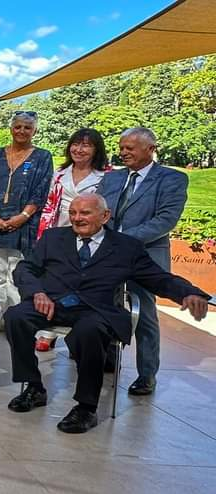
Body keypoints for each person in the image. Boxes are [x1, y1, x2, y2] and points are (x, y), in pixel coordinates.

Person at [6, 193, 208, 433]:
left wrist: (190, 293)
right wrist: (37, 292)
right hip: (53, 302)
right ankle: (34, 386)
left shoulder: (126, 247)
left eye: (85, 213)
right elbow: (25, 269)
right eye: (73, 213)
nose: (77, 219)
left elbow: (158, 278)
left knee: (89, 331)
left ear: (105, 216)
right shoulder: (53, 238)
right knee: (15, 316)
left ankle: (86, 407)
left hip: (96, 309)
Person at [100, 127, 188, 396]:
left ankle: (146, 375)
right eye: (121, 147)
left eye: (130, 148)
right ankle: (106, 359)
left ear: (150, 149)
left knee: (146, 315)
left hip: (147, 256)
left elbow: (165, 220)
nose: (123, 152)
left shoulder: (172, 179)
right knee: (105, 306)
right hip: (110, 255)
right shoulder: (113, 178)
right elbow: (102, 211)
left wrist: (122, 239)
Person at [0, 111, 53, 313]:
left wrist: (22, 217)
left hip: (23, 225)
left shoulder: (43, 157)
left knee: (17, 273)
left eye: (27, 127)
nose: (22, 131)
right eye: (18, 126)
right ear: (11, 129)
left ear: (34, 131)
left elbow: (41, 190)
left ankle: (15, 315)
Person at [39, 128, 108, 238]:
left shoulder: (107, 175)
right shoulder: (59, 173)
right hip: (59, 227)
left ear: (96, 150)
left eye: (85, 145)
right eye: (75, 144)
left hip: (91, 229)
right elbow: (48, 204)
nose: (79, 150)